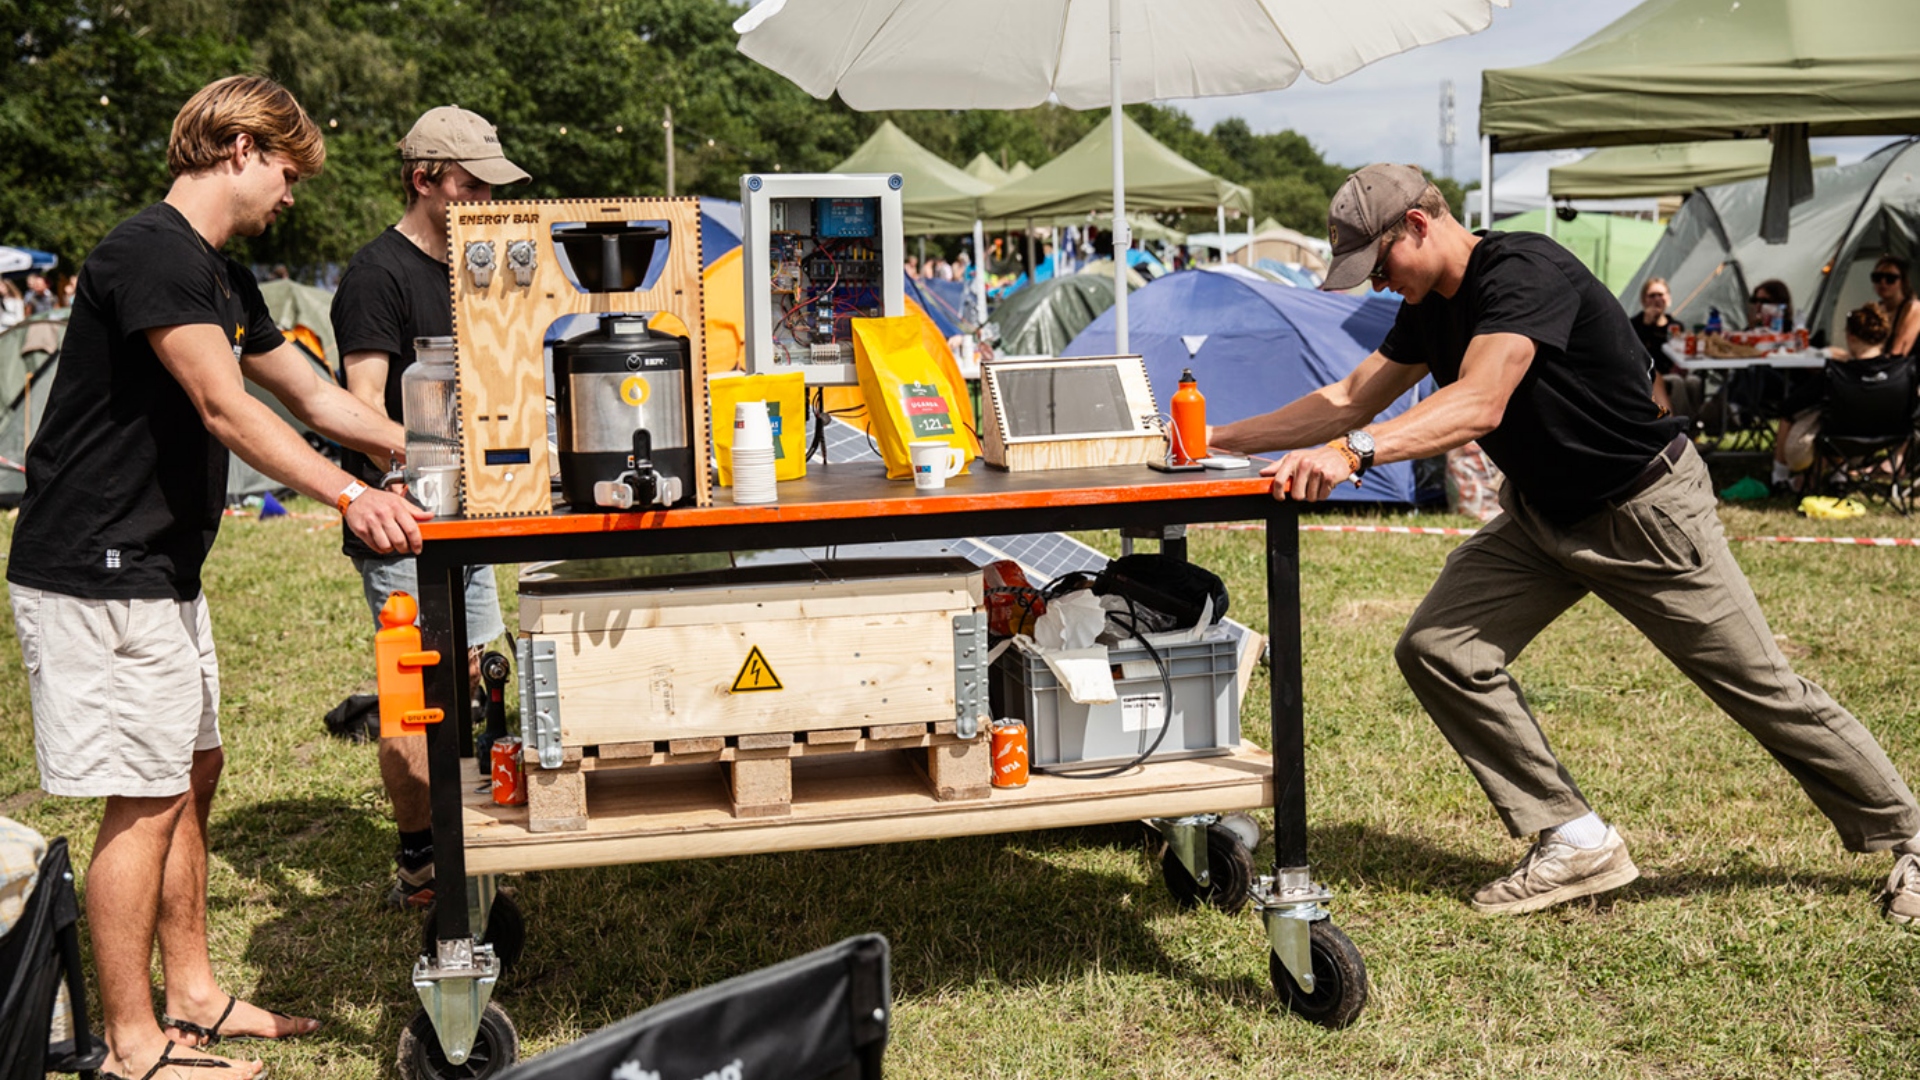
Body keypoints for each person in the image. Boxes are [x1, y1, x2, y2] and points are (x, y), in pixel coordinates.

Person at [1210, 163, 1920, 920]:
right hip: (1543, 515)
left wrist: (1354, 454)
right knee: (1440, 649)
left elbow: (1480, 401)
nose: (1380, 284)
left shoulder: (1523, 270)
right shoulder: (1431, 304)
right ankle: (1576, 838)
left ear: (1417, 224)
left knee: (1763, 689)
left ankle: (1909, 833)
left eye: (1381, 265)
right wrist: (1213, 440)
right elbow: (1348, 397)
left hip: (1643, 511)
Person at [5, 75, 432, 1080]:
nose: (292, 195)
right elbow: (226, 408)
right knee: (143, 798)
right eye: (287, 173)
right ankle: (135, 1044)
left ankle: (193, 992)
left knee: (191, 775)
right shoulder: (149, 252)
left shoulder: (219, 274)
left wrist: (446, 450)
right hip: (96, 572)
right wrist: (350, 496)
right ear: (240, 147)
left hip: (156, 568)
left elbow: (321, 399)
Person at [329, 106, 527, 910]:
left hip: (471, 516)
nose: (484, 198)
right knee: (413, 692)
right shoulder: (376, 274)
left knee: (488, 673)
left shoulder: (469, 263)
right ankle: (420, 860)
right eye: (472, 184)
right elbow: (360, 406)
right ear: (425, 180)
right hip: (405, 519)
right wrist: (414, 473)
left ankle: (475, 833)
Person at [1773, 304, 1893, 490]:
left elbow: (1789, 406)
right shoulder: (1900, 371)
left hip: (1836, 442)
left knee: (1798, 414)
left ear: (1850, 336)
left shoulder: (1838, 373)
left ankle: (1779, 477)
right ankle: (1838, 477)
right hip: (1885, 440)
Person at [1631, 277, 1694, 418]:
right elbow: (1635, 354)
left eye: (1661, 295)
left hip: (1674, 371)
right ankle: (1680, 426)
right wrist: (1646, 326)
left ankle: (1696, 425)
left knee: (1694, 382)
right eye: (1652, 295)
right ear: (1643, 300)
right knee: (1677, 383)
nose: (1657, 299)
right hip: (1650, 376)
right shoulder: (1634, 325)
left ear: (1668, 298)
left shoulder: (1675, 326)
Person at [1870, 256, 1920, 359]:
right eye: (1877, 278)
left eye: (1890, 279)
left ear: (1902, 282)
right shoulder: (1874, 310)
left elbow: (1899, 353)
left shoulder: (1914, 309)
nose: (1883, 282)